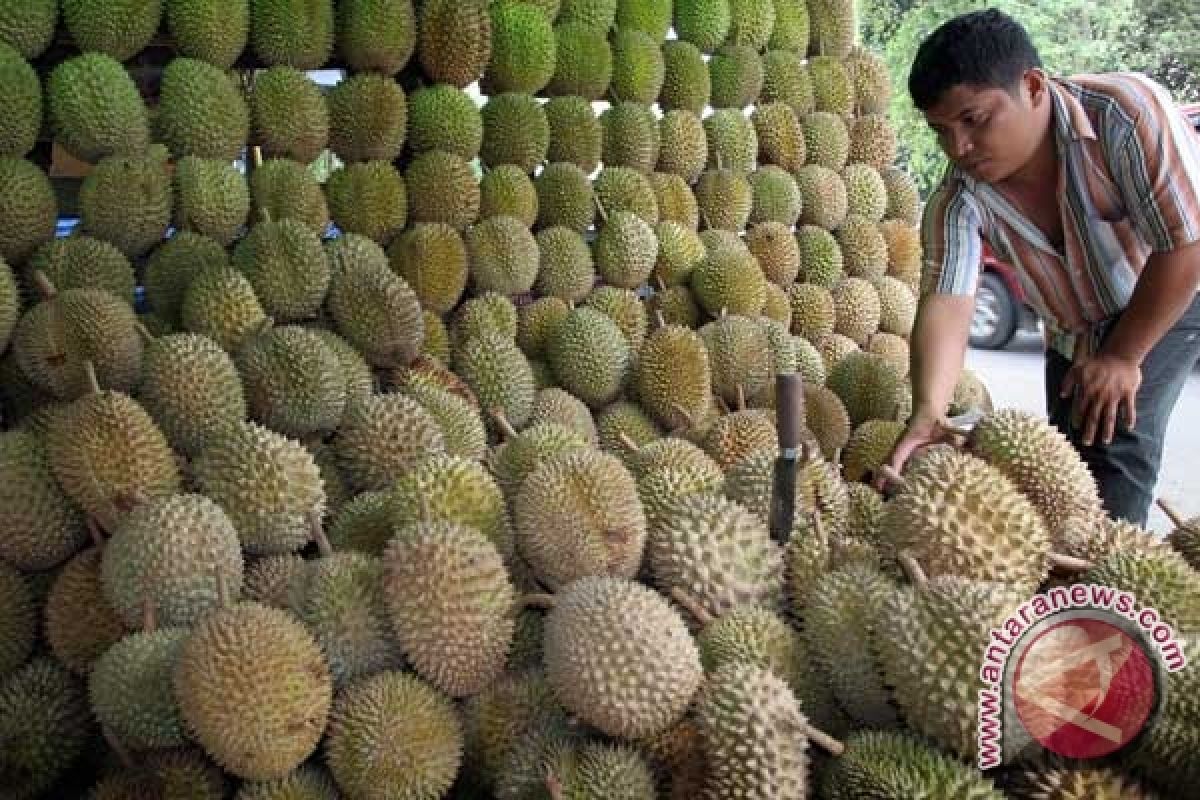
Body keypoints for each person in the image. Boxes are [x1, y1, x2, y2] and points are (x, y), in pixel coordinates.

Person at [883, 9, 1200, 526]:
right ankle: (1062, 588)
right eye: (941, 130)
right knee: (1059, 467)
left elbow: (1186, 245)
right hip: (1071, 325)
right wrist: (928, 412)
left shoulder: (1125, 116)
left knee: (1115, 451)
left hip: (1162, 291)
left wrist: (1122, 356)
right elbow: (947, 299)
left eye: (975, 120)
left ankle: (1105, 598)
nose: (957, 147)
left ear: (1032, 86)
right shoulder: (959, 197)